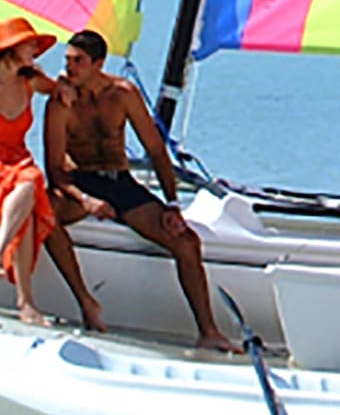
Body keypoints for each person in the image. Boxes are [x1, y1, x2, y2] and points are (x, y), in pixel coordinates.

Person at [46, 29, 233, 351]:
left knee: (187, 241)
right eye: (67, 60)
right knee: (45, 214)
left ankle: (209, 332)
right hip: (80, 182)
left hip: (119, 182)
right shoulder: (61, 102)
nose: (69, 68)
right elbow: (55, 170)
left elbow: (156, 151)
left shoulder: (122, 94)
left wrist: (172, 204)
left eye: (78, 61)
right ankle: (86, 301)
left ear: (99, 63)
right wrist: (87, 201)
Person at [0, 16, 104, 329]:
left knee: (30, 185)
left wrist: (64, 86)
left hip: (17, 163)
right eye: (29, 45)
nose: (34, 49)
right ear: (12, 49)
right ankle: (26, 303)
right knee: (30, 187)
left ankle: (25, 299)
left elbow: (59, 87)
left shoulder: (30, 80)